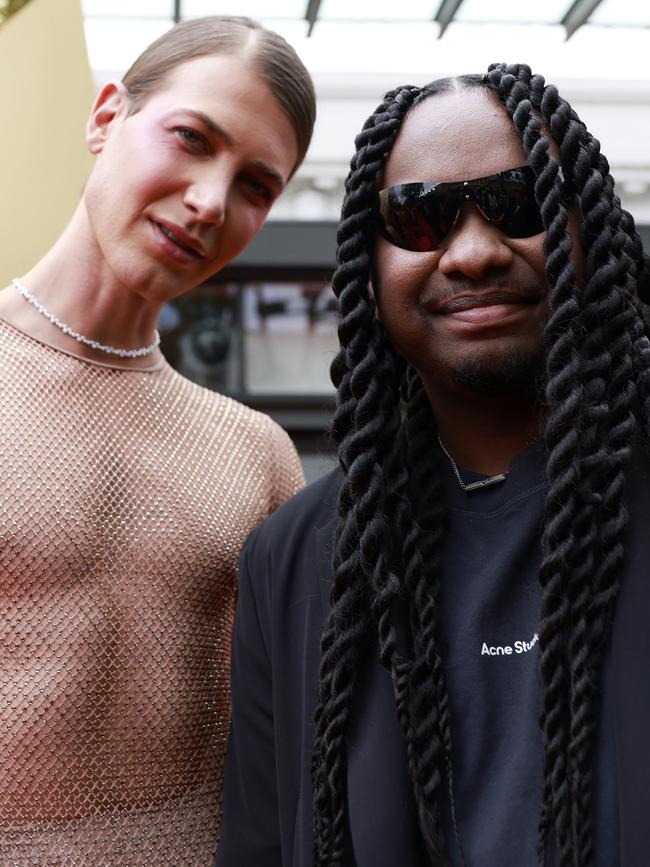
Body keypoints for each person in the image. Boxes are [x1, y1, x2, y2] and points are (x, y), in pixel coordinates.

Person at [215, 63, 650, 867]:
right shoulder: (295, 561)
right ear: (369, 274)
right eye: (421, 218)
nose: (475, 251)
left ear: (591, 226)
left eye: (520, 202)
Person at [0, 15, 315, 865]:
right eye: (190, 138)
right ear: (106, 117)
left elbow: (295, 743)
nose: (210, 201)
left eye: (256, 185)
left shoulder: (255, 452)